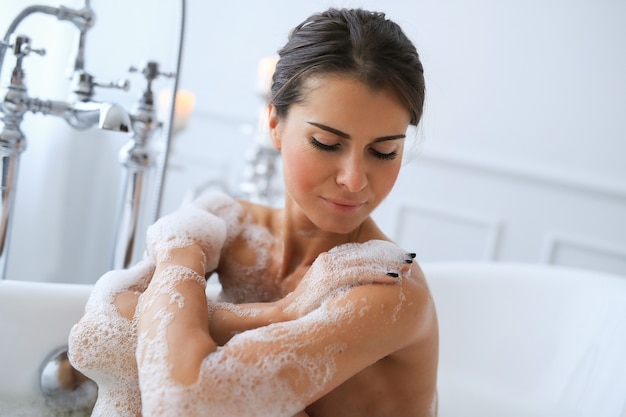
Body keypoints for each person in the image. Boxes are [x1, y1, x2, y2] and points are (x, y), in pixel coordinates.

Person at [68, 7, 438, 417]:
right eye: (327, 143)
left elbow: (184, 401)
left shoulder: (385, 287)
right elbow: (92, 338)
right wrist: (271, 309)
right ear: (274, 124)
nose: (354, 179)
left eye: (384, 151)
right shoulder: (226, 226)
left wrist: (193, 298)